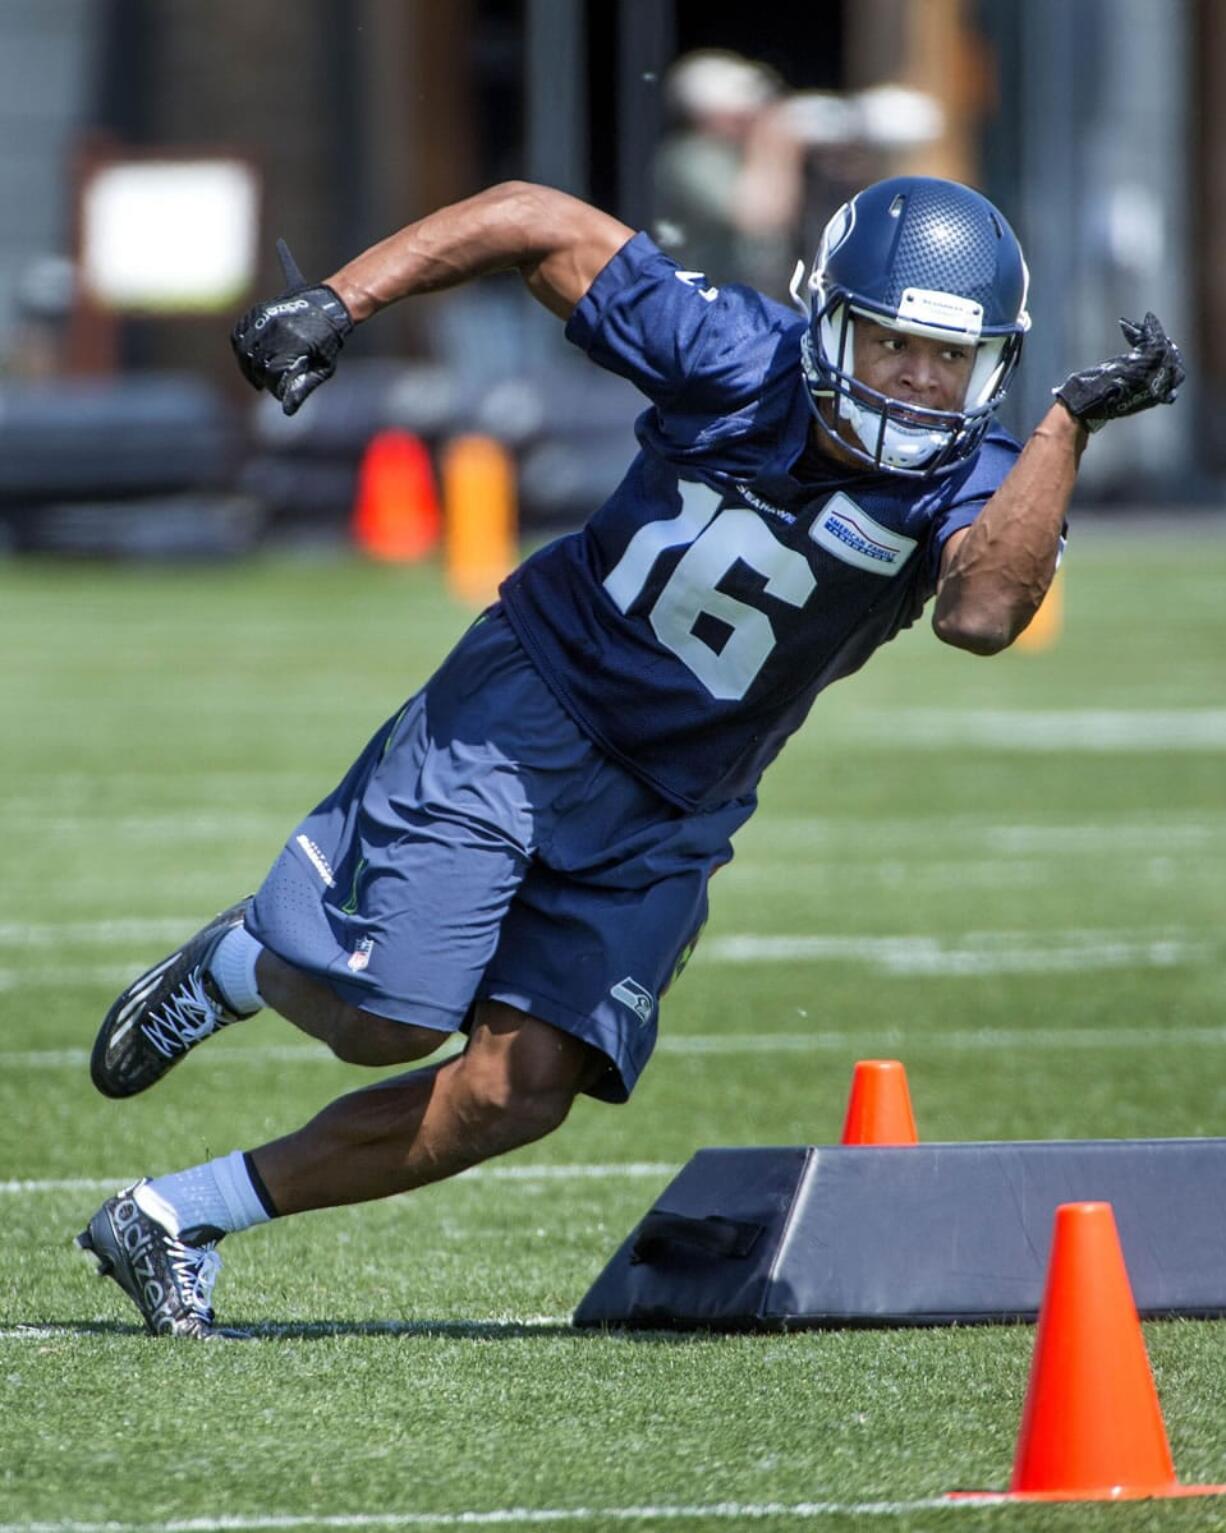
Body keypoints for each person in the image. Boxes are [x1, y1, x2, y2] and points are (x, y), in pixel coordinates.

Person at [78, 176, 1182, 1337]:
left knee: (517, 1093)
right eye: (893, 343)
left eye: (947, 359)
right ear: (830, 320)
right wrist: (339, 303)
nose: (917, 379)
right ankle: (242, 965)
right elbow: (530, 219)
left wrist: (1064, 426)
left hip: (677, 801)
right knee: (391, 1021)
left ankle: (172, 1217)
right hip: (532, 706)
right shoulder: (734, 353)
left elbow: (983, 615)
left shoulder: (980, 474)